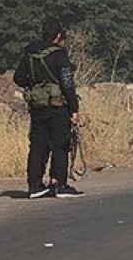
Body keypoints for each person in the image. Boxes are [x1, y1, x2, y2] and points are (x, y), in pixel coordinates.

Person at [13, 19, 82, 198]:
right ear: (58, 36)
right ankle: (59, 184)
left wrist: (36, 86)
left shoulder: (30, 54)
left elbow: (18, 78)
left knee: (37, 145)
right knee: (61, 144)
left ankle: (34, 185)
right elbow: (67, 85)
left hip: (38, 107)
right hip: (58, 108)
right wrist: (74, 109)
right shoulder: (60, 56)